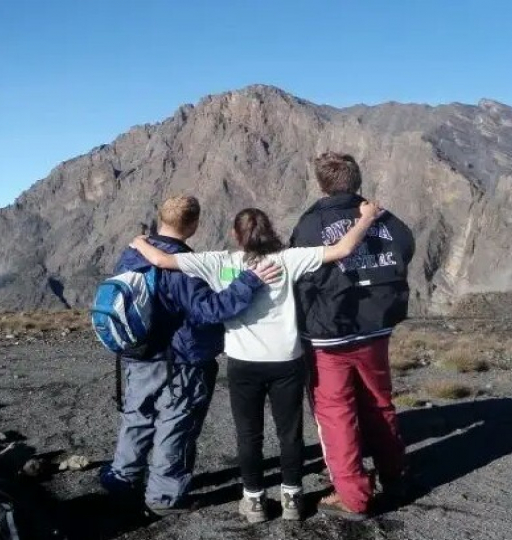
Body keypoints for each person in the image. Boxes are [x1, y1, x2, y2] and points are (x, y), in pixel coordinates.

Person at [130, 200, 382, 523]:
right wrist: (366, 218)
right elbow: (343, 248)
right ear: (269, 231)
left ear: (236, 235)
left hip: (243, 364)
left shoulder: (218, 262)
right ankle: (291, 497)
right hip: (286, 362)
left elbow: (160, 260)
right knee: (289, 432)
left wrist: (139, 241)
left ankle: (254, 502)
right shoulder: (288, 259)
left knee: (249, 434)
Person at [99, 195, 281, 516]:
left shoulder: (131, 254)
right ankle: (164, 497)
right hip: (180, 362)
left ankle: (123, 478)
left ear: (160, 219)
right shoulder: (184, 266)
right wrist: (248, 283)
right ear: (194, 225)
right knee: (175, 424)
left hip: (137, 355)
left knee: (137, 417)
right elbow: (210, 310)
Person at [289, 152, 415, 519]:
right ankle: (395, 474)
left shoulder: (312, 224)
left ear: (322, 184)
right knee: (379, 401)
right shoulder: (384, 218)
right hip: (376, 327)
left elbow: (299, 267)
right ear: (356, 181)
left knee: (335, 412)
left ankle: (354, 495)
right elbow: (404, 248)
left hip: (330, 334)